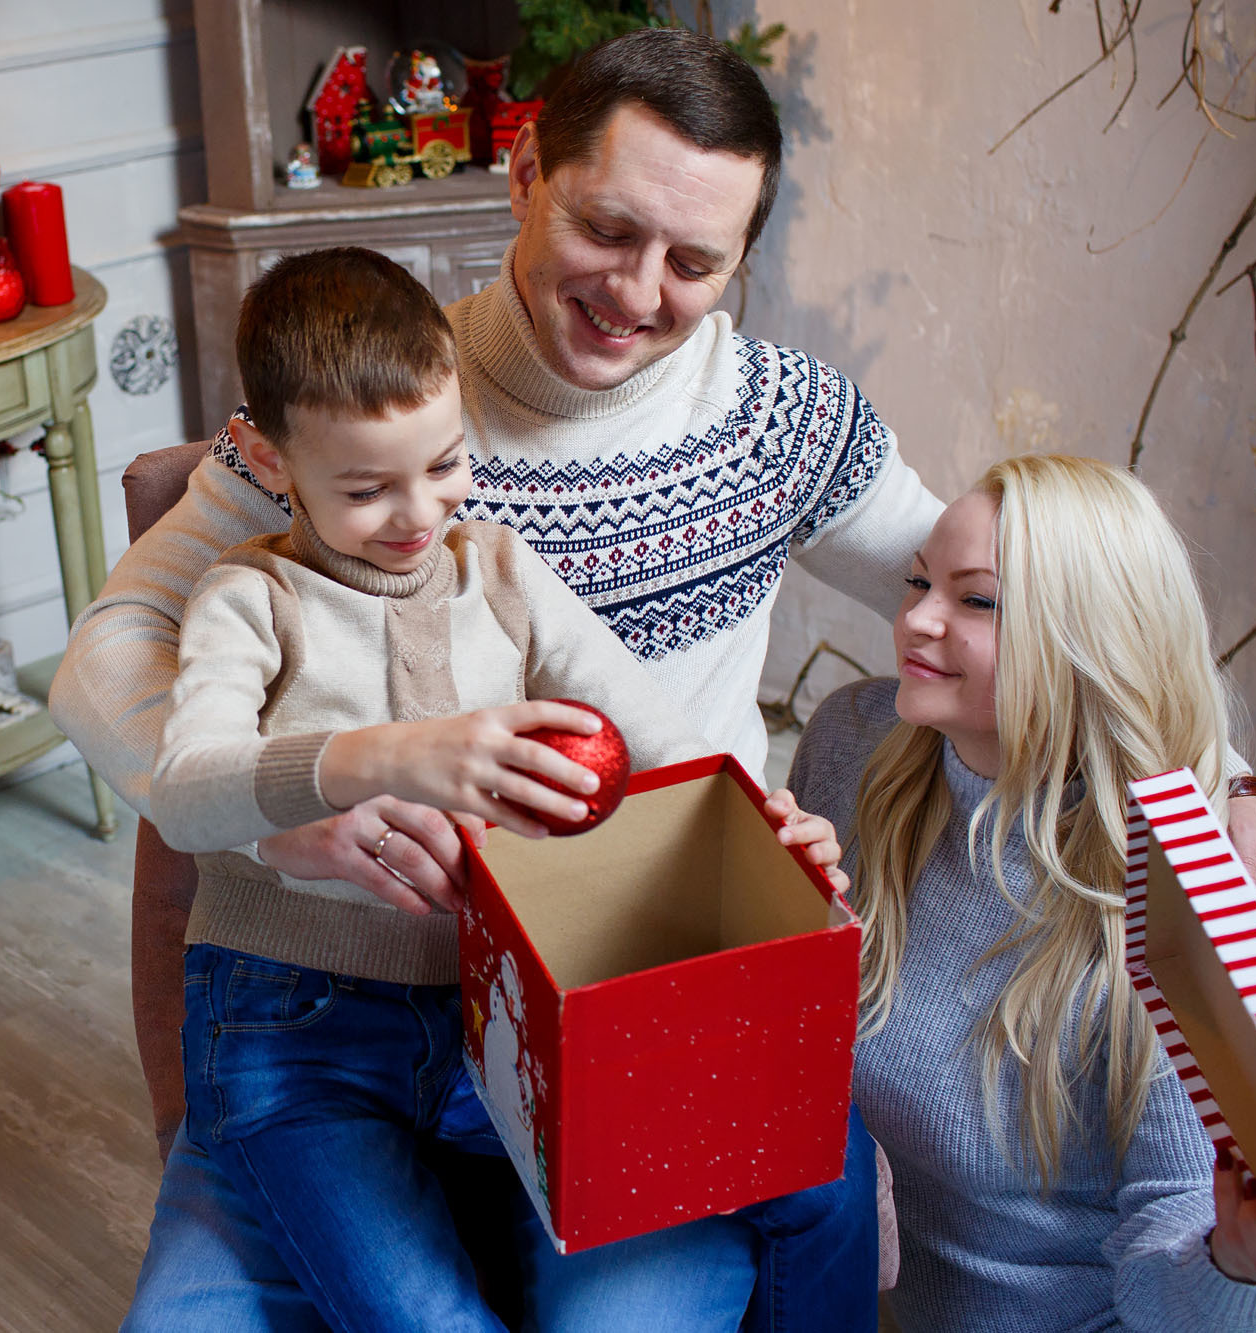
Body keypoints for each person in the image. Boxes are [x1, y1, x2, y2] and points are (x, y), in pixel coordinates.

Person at [52, 26, 1256, 1327]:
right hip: (343, 996)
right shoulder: (376, 412)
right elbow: (105, 658)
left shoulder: (784, 423)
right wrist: (278, 804)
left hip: (630, 991)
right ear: (525, 169)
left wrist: (1230, 776)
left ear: (739, 262)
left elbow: (1031, 610)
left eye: (695, 260)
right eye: (609, 228)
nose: (638, 291)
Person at [138, 245, 856, 1332]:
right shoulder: (248, 597)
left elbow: (657, 739)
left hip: (499, 1021)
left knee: (734, 1218)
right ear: (270, 460)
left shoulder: (504, 572)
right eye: (365, 488)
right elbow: (184, 791)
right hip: (292, 1037)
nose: (417, 513)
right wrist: (385, 756)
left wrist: (766, 830)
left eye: (443, 462)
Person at [786, 455, 1256, 1331]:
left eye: (976, 600)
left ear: (1086, 637)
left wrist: (1237, 1271)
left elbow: (1184, 1230)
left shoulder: (1176, 904)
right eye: (918, 582)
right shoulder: (851, 743)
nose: (915, 619)